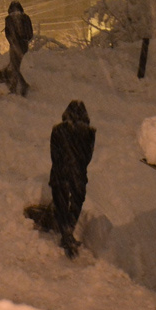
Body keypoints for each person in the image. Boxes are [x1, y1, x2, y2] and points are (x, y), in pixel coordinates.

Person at [49, 100, 96, 259]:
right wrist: (77, 167)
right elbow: (88, 156)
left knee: (61, 202)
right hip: (78, 175)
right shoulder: (88, 133)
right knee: (75, 203)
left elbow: (54, 154)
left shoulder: (58, 130)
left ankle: (65, 233)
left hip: (60, 173)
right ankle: (69, 231)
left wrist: (62, 166)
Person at [0, 1, 32, 96]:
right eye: (14, 12)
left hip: (19, 46)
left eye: (16, 12)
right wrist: (16, 42)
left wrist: (17, 42)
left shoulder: (17, 19)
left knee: (16, 67)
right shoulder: (19, 19)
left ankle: (19, 87)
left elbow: (13, 34)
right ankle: (17, 87)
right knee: (16, 67)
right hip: (18, 46)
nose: (15, 14)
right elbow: (11, 33)